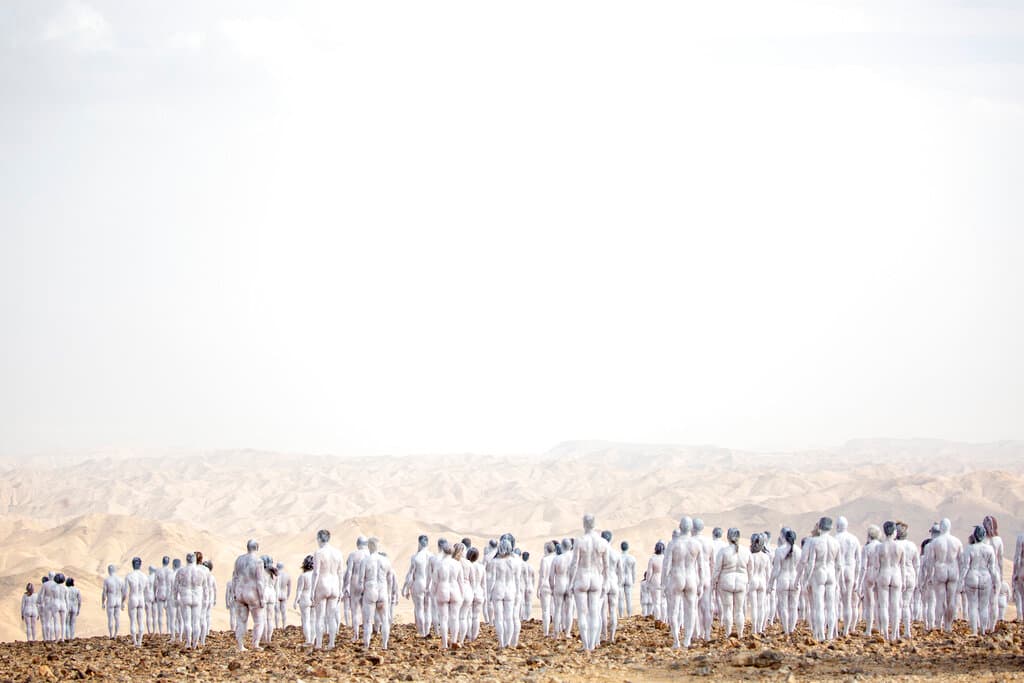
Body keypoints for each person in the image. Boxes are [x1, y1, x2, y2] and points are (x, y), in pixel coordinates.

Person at [571, 514, 611, 652]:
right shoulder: (603, 542)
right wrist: (606, 582)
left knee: (582, 613)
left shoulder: (579, 541)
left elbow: (574, 564)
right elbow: (607, 566)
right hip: (596, 578)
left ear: (584, 524)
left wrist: (571, 582)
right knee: (594, 613)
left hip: (582, 577)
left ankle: (586, 645)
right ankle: (593, 644)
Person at [922, 518, 963, 632]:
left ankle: (939, 624)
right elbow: (961, 561)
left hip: (940, 571)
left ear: (941, 528)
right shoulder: (957, 542)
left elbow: (930, 561)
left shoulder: (935, 542)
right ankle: (948, 625)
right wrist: (961, 577)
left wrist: (929, 576)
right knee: (951, 600)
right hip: (953, 571)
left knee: (940, 600)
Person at [803, 517, 840, 642]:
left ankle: (821, 634)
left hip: (819, 572)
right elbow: (839, 565)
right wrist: (838, 581)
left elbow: (811, 563)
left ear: (820, 527)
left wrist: (806, 579)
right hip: (831, 573)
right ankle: (830, 634)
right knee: (830, 606)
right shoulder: (835, 542)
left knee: (819, 606)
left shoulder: (815, 542)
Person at [357, 536, 394, 650]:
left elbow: (360, 580)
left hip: (370, 590)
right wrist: (388, 593)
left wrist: (361, 593)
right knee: (385, 620)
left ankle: (367, 644)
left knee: (368, 621)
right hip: (382, 590)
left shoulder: (365, 560)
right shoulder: (386, 561)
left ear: (369, 546)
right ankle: (384, 645)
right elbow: (390, 579)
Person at [961, 524, 999, 635]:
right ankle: (982, 630)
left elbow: (965, 566)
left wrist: (961, 581)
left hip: (972, 576)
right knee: (984, 606)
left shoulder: (969, 548)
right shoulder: (989, 549)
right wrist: (996, 581)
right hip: (985, 577)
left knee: (972, 605)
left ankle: (974, 631)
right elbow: (992, 568)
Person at [310, 529, 344, 650]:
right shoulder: (338, 553)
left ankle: (319, 643)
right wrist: (341, 589)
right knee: (331, 616)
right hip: (334, 584)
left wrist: (312, 590)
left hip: (322, 584)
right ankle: (331, 643)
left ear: (319, 539)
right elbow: (340, 572)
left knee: (320, 617)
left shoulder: (318, 553)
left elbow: (316, 573)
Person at [713, 528, 749, 638]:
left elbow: (717, 569)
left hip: (726, 581)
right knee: (739, 610)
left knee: (727, 609)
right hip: (741, 581)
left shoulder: (723, 551)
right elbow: (750, 569)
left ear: (728, 537)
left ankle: (728, 634)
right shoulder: (746, 551)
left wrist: (714, 582)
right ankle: (740, 634)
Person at [232, 539, 267, 651]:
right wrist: (262, 598)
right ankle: (255, 644)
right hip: (252, 594)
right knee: (258, 620)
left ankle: (240, 645)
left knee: (241, 621)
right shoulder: (258, 561)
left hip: (240, 592)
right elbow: (260, 582)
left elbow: (235, 578)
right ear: (257, 547)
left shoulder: (239, 560)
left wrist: (234, 592)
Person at [489, 537, 520, 648]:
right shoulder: (516, 562)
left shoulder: (495, 562)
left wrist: (489, 593)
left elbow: (492, 580)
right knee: (509, 617)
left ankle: (501, 642)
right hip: (511, 590)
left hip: (498, 589)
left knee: (499, 618)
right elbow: (517, 580)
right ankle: (508, 642)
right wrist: (518, 593)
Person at [769, 528, 801, 634]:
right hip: (794, 578)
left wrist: (771, 583)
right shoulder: (799, 550)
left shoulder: (779, 550)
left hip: (783, 579)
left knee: (783, 606)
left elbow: (776, 569)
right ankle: (791, 629)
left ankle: (786, 630)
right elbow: (800, 568)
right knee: (793, 606)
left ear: (785, 538)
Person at [431, 539, 461, 649]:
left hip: (442, 589)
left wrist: (432, 593)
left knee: (443, 618)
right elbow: (460, 581)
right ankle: (453, 641)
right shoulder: (457, 564)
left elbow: (435, 581)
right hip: (455, 589)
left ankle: (444, 643)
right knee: (455, 617)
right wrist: (461, 594)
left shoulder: (439, 564)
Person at [834, 516, 861, 636]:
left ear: (838, 526)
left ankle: (834, 629)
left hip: (838, 571)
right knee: (848, 602)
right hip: (850, 569)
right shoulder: (854, 539)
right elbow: (859, 561)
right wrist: (857, 577)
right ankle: (846, 630)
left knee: (835, 602)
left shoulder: (835, 539)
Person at [402, 534, 432, 637]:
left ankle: (421, 632)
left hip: (419, 583)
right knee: (427, 609)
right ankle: (427, 631)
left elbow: (410, 574)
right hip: (429, 584)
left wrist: (405, 587)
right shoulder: (432, 556)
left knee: (419, 608)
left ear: (419, 543)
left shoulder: (415, 557)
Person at [896, 522, 920, 640]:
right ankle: (907, 631)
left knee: (896, 605)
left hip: (897, 575)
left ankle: (896, 632)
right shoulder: (912, 546)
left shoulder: (894, 545)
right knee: (906, 605)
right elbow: (917, 565)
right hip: (910, 575)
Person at [343, 537, 369, 639]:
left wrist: (346, 586)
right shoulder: (370, 555)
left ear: (357, 544)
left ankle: (356, 634)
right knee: (366, 610)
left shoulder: (353, 555)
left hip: (355, 582)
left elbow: (349, 571)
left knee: (355, 610)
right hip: (367, 582)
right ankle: (367, 634)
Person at [982, 516, 1003, 630]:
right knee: (994, 602)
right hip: (995, 572)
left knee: (984, 602)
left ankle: (984, 627)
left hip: (984, 573)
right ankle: (992, 627)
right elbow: (1000, 560)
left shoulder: (982, 541)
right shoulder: (998, 540)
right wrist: (1002, 575)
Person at [748, 534, 771, 635]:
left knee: (754, 606)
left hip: (753, 581)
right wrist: (769, 585)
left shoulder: (751, 556)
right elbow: (768, 573)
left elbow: (749, 571)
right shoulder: (766, 557)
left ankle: (754, 628)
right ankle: (760, 628)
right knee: (761, 606)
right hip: (762, 581)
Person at [124, 557, 149, 647]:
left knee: (133, 621)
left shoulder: (129, 576)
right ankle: (140, 641)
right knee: (140, 621)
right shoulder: (144, 576)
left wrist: (123, 601)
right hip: (141, 598)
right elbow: (147, 591)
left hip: (133, 598)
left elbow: (125, 592)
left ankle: (135, 641)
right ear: (140, 564)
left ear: (132, 564)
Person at [600, 532, 620, 643]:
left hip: (604, 581)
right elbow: (620, 572)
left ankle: (604, 635)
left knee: (603, 611)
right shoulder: (616, 554)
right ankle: (612, 637)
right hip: (614, 582)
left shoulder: (600, 553)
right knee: (613, 610)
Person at [551, 541, 573, 638]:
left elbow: (551, 576)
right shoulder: (573, 558)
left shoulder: (557, 559)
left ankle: (556, 633)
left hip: (559, 584)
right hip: (569, 584)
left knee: (557, 610)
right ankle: (567, 633)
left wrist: (552, 587)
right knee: (569, 610)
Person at [466, 546, 486, 641]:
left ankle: (469, 636)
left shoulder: (466, 566)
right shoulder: (481, 567)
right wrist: (484, 595)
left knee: (468, 616)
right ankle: (474, 636)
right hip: (479, 592)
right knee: (476, 616)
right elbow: (484, 584)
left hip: (469, 592)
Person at [294, 555, 315, 644]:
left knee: (305, 620)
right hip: (314, 598)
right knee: (313, 620)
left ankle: (308, 640)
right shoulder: (316, 575)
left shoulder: (303, 576)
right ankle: (313, 639)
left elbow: (299, 590)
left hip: (305, 598)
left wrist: (295, 600)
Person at [538, 541, 556, 636]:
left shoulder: (544, 560)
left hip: (545, 586)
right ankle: (556, 631)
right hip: (555, 585)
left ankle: (546, 632)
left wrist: (538, 588)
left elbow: (542, 576)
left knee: (546, 610)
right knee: (554, 609)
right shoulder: (557, 558)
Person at [645, 541, 666, 623]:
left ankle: (658, 619)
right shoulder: (665, 558)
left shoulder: (652, 559)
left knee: (656, 602)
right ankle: (664, 620)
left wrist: (647, 582)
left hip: (655, 580)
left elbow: (649, 572)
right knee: (663, 602)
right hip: (664, 580)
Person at [101, 564, 124, 639]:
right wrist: (123, 602)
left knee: (110, 618)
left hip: (111, 600)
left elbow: (104, 592)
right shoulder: (121, 580)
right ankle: (115, 634)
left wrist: (103, 602)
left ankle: (111, 634)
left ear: (109, 571)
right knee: (117, 618)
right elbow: (124, 592)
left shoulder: (107, 580)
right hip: (118, 600)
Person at [201, 560, 217, 646]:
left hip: (204, 598)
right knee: (207, 615)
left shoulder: (201, 574)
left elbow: (214, 589)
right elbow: (215, 589)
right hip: (209, 598)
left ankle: (204, 632)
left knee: (204, 616)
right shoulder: (211, 576)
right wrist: (214, 599)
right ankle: (206, 631)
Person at [620, 540, 637, 618]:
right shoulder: (632, 558)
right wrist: (633, 580)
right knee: (628, 598)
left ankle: (621, 615)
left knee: (620, 598)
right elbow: (634, 571)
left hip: (621, 578)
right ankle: (629, 615)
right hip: (629, 577)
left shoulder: (619, 557)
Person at [154, 556, 172, 634]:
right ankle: (168, 630)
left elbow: (155, 584)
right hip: (168, 591)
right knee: (168, 614)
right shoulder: (170, 571)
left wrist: (155, 593)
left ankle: (161, 631)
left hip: (160, 591)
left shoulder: (158, 571)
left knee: (160, 614)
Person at [275, 562, 291, 630]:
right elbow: (289, 587)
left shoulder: (275, 575)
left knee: (277, 612)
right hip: (284, 594)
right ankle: (284, 626)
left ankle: (277, 626)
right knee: (284, 612)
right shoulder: (287, 575)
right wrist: (288, 596)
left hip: (277, 594)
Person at [521, 550, 536, 623]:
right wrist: (533, 586)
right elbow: (533, 578)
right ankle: (527, 617)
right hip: (529, 585)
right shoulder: (531, 566)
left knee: (523, 602)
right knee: (528, 602)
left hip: (523, 585)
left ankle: (523, 617)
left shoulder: (521, 565)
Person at [145, 566, 157, 636]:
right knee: (154, 616)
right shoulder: (156, 578)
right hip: (154, 596)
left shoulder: (147, 578)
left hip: (148, 596)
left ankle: (149, 631)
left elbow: (145, 589)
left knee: (148, 615)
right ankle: (154, 631)